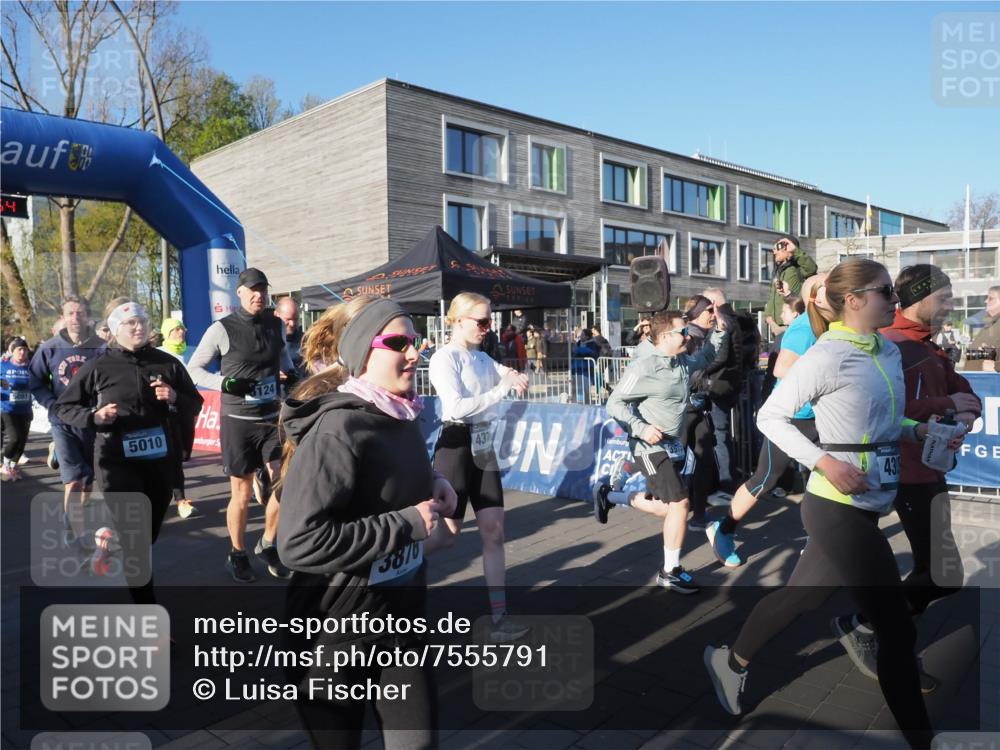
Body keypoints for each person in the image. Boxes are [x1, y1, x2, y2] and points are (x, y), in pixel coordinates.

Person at [704, 259, 956, 750]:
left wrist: (919, 430)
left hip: (869, 500)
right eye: (885, 290)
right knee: (895, 628)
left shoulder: (884, 349)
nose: (895, 299)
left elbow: (887, 422)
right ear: (854, 300)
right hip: (833, 505)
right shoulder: (828, 354)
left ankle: (729, 661)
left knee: (803, 597)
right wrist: (824, 462)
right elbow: (769, 417)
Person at [277, 295, 456, 750]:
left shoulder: (402, 413)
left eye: (416, 341)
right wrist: (406, 524)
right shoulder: (338, 430)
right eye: (398, 343)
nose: (414, 353)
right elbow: (298, 543)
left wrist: (433, 481)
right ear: (363, 351)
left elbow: (387, 479)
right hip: (333, 635)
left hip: (401, 622)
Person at [831, 265, 980, 687]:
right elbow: (882, 412)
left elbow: (963, 391)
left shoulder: (928, 345)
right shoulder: (893, 344)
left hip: (930, 468)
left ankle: (887, 641)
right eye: (943, 297)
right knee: (942, 574)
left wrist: (964, 411)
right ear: (918, 298)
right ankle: (869, 624)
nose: (950, 305)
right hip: (906, 472)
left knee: (936, 572)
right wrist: (946, 405)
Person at [54, 301, 202, 603]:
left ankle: (110, 540)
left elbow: (195, 403)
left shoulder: (167, 363)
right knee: (136, 542)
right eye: (130, 323)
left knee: (147, 535)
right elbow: (63, 407)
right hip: (115, 460)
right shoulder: (99, 366)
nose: (138, 327)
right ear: (115, 330)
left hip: (159, 460)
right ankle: (146, 608)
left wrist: (175, 397)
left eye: (142, 322)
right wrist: (94, 417)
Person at [424, 293, 532, 641]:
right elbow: (456, 407)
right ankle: (394, 570)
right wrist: (501, 390)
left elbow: (506, 373)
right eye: (482, 321)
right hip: (455, 443)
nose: (488, 327)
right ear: (458, 320)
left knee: (494, 530)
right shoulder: (444, 358)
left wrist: (514, 376)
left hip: (483, 444)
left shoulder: (483, 357)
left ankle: (499, 618)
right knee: (447, 534)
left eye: (490, 321)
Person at [596, 309, 727, 593]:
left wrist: (719, 332)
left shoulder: (680, 361)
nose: (688, 336)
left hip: (672, 444)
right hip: (648, 447)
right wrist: (641, 428)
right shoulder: (644, 367)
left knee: (667, 509)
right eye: (683, 332)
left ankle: (611, 495)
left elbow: (705, 358)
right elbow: (614, 403)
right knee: (680, 504)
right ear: (666, 336)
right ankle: (670, 571)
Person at [706, 273, 830, 567]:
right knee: (765, 479)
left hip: (821, 416)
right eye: (832, 288)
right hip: (791, 418)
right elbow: (781, 369)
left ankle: (817, 543)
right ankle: (724, 529)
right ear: (816, 297)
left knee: (823, 480)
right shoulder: (803, 327)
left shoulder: (833, 326)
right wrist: (825, 383)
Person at [188, 267, 297, 582]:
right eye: (252, 290)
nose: (258, 295)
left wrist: (291, 375)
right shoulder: (222, 329)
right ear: (239, 293)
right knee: (243, 491)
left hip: (271, 418)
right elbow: (193, 369)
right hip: (238, 421)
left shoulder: (276, 324)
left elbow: (283, 359)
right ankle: (237, 553)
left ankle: (268, 543)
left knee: (285, 483)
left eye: (263, 289)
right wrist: (225, 383)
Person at [29, 296, 105, 549]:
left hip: (92, 420)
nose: (75, 318)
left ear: (88, 317)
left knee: (88, 480)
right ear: (62, 317)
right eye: (70, 313)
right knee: (73, 480)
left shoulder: (100, 348)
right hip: (62, 422)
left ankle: (74, 516)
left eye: (80, 313)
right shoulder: (50, 348)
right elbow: (35, 381)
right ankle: (75, 532)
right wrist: (52, 404)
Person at [682, 295, 723, 531]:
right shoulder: (688, 336)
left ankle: (698, 515)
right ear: (697, 312)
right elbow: (685, 372)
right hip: (682, 410)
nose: (713, 315)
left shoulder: (704, 336)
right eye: (709, 310)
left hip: (697, 408)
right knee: (676, 463)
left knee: (704, 460)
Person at [699, 288, 746, 493]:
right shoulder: (732, 318)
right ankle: (727, 480)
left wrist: (700, 369)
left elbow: (720, 356)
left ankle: (726, 482)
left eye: (705, 304)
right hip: (727, 382)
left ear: (714, 304)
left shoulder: (723, 321)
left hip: (719, 384)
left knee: (719, 435)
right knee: (721, 434)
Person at [763, 236, 818, 338]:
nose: (774, 252)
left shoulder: (797, 268)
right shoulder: (778, 271)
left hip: (793, 324)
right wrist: (769, 318)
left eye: (778, 248)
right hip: (777, 326)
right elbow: (772, 298)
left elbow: (811, 268)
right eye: (774, 249)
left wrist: (795, 251)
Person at [1, 337, 33, 481]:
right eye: (19, 349)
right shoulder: (3, 365)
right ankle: (5, 464)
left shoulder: (32, 367)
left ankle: (13, 467)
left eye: (25, 350)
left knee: (22, 442)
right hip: (7, 409)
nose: (22, 352)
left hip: (25, 409)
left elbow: (44, 380)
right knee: (14, 439)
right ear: (12, 351)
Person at [963, 285, 1000, 371]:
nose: (986, 301)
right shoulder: (990, 324)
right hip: (974, 378)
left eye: (990, 298)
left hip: (989, 378)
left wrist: (996, 367)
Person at [275, 296, 305, 377]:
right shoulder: (266, 341)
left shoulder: (305, 340)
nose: (292, 324)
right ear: (276, 315)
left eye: (296, 319)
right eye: (288, 319)